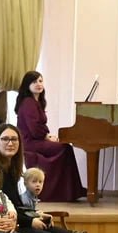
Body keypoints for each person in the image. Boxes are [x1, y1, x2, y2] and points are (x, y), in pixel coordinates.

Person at [15, 70, 86, 202]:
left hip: (35, 140)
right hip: (30, 143)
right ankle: (68, 191)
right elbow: (34, 129)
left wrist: (47, 137)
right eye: (34, 82)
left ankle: (71, 190)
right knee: (65, 148)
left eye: (40, 81)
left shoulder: (35, 102)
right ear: (27, 85)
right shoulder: (28, 103)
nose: (38, 84)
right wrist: (47, 137)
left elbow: (37, 128)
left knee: (65, 147)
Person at [21, 167, 89, 233]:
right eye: (34, 182)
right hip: (27, 226)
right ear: (25, 183)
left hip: (33, 222)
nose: (38, 185)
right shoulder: (24, 199)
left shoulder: (33, 197)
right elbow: (26, 214)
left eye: (40, 182)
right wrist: (38, 215)